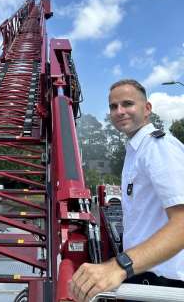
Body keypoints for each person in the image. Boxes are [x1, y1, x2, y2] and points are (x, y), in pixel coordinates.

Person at [70, 79, 184, 302]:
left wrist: (119, 266)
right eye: (114, 106)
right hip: (143, 275)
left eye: (128, 104)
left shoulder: (158, 147)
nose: (120, 111)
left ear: (147, 108)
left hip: (163, 285)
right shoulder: (135, 152)